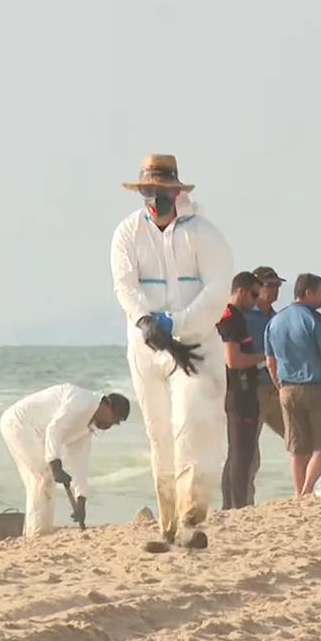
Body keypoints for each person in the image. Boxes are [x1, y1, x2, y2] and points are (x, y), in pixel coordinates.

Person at [109, 154, 234, 548]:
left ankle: (191, 518)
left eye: (160, 191)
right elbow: (125, 286)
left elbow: (217, 292)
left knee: (193, 424)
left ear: (176, 191)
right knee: (159, 433)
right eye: (147, 191)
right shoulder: (127, 232)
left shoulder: (205, 234)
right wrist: (146, 321)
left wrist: (175, 325)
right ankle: (167, 526)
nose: (153, 198)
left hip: (194, 345)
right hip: (147, 346)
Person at [264, 273, 321, 497]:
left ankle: (299, 492)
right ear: (308, 293)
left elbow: (270, 362)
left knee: (298, 447)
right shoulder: (316, 321)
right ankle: (306, 490)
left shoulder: (275, 322)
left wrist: (279, 387)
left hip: (287, 389)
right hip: (315, 388)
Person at [0, 385, 130, 537]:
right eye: (114, 419)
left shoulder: (87, 427)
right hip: (18, 423)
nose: (110, 425)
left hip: (36, 432)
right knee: (43, 478)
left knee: (42, 482)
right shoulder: (82, 401)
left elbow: (80, 462)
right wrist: (56, 465)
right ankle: (37, 534)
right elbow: (55, 429)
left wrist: (81, 498)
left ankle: (38, 532)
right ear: (106, 404)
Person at [218, 271, 267, 510]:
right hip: (239, 391)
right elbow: (233, 359)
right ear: (241, 291)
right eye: (254, 295)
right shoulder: (230, 318)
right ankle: (236, 504)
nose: (256, 301)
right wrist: (264, 357)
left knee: (241, 451)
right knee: (241, 451)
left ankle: (233, 503)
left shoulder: (235, 317)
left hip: (243, 390)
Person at [246, 265, 288, 504]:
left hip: (277, 387)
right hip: (253, 389)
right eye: (270, 286)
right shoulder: (243, 316)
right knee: (250, 452)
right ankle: (244, 503)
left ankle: (310, 490)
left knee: (300, 438)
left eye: (277, 286)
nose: (274, 291)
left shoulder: (276, 318)